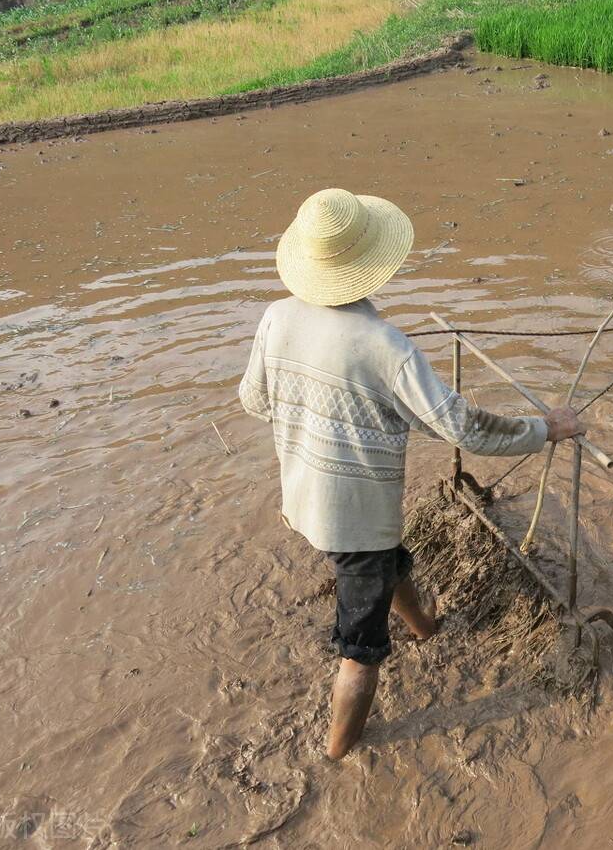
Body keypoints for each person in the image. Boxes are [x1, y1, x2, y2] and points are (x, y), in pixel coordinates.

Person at [238, 188, 585, 759]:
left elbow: (254, 400)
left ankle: (425, 628)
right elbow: (462, 427)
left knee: (385, 563)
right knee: (360, 650)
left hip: (303, 499)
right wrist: (544, 428)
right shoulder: (385, 347)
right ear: (371, 264)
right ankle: (336, 755)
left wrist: (319, 407)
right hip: (356, 520)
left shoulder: (277, 318)